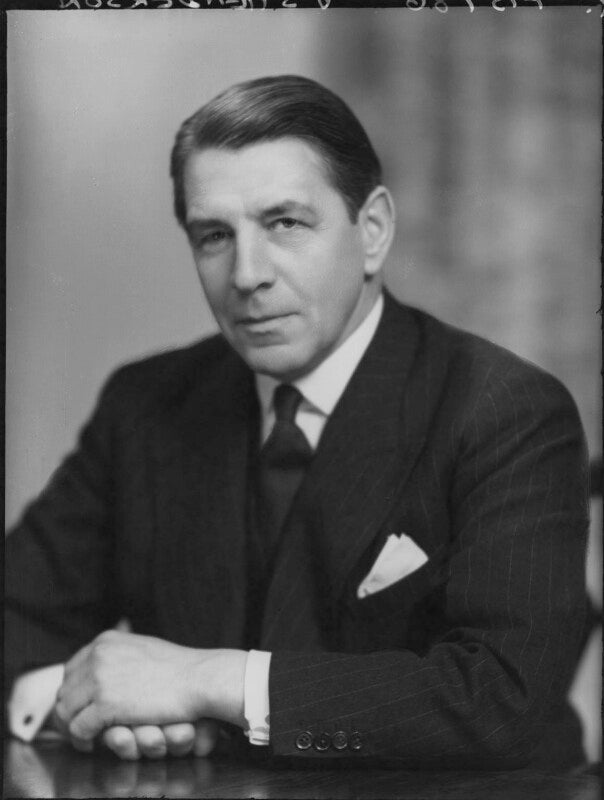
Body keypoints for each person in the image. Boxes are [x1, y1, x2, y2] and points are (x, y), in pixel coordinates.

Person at [5, 75, 589, 769]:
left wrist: (212, 683)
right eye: (214, 235)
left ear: (372, 232)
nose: (246, 275)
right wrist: (80, 704)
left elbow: (500, 699)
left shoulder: (503, 409)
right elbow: (16, 617)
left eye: (285, 223)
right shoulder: (148, 404)